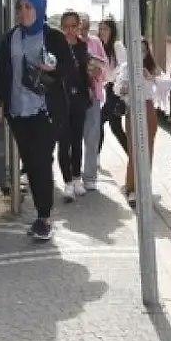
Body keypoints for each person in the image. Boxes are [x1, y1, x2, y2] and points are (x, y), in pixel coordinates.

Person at [0, 0, 68, 241]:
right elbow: (0, 71)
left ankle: (44, 217)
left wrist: (54, 69)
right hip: (18, 111)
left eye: (28, 7)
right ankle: (40, 214)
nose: (22, 12)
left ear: (39, 10)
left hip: (45, 111)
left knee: (40, 161)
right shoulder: (10, 38)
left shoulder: (53, 37)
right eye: (19, 8)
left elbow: (71, 71)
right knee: (31, 164)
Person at [116, 38, 163, 206]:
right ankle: (131, 189)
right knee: (135, 149)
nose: (141, 53)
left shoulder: (150, 66)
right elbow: (118, 89)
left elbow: (166, 84)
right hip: (133, 109)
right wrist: (125, 88)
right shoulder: (126, 68)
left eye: (144, 50)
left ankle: (144, 187)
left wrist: (150, 77)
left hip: (148, 107)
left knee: (148, 148)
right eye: (138, 50)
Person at [56, 10, 93, 202]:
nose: (70, 30)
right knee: (64, 142)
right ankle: (67, 182)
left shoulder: (83, 47)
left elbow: (86, 73)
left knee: (77, 139)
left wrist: (93, 71)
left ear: (79, 27)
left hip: (79, 99)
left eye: (73, 26)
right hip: (61, 100)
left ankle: (77, 177)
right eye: (66, 26)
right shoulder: (56, 46)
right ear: (62, 27)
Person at [78, 14, 109, 191]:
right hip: (73, 97)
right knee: (73, 138)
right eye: (79, 27)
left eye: (85, 28)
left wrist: (99, 71)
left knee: (91, 137)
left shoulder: (95, 42)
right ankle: (73, 176)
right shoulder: (68, 43)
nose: (82, 31)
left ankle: (89, 176)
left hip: (93, 95)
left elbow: (105, 67)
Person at [97, 17, 130, 157]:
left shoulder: (117, 46)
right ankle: (133, 156)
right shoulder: (101, 47)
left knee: (98, 121)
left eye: (105, 29)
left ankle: (95, 156)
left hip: (117, 90)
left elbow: (124, 67)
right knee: (115, 127)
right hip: (109, 89)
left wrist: (109, 76)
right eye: (101, 29)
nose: (102, 32)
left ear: (112, 30)